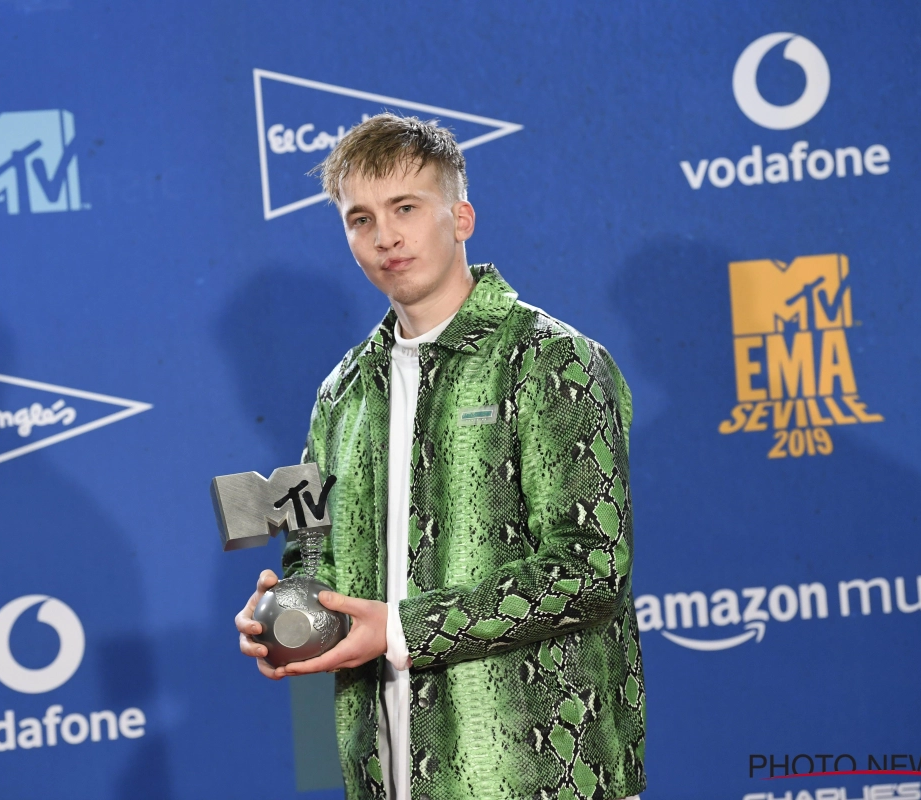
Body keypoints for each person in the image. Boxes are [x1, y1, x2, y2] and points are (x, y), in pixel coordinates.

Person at [235, 114, 645, 800]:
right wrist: (290, 614)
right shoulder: (340, 393)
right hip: (385, 774)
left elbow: (591, 567)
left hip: (540, 777)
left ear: (461, 216)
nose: (385, 236)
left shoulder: (553, 359)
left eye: (405, 208)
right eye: (359, 219)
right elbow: (310, 554)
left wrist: (397, 626)